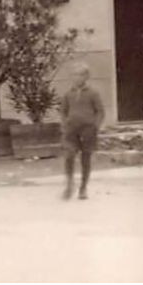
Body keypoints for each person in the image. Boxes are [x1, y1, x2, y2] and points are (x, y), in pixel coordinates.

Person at [59, 62, 105, 200]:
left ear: (86, 77)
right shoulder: (68, 94)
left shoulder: (93, 93)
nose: (77, 78)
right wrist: (64, 124)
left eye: (80, 75)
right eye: (74, 75)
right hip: (71, 130)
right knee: (69, 155)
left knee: (86, 158)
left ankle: (83, 188)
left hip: (88, 130)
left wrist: (95, 126)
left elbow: (100, 111)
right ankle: (69, 183)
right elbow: (63, 111)